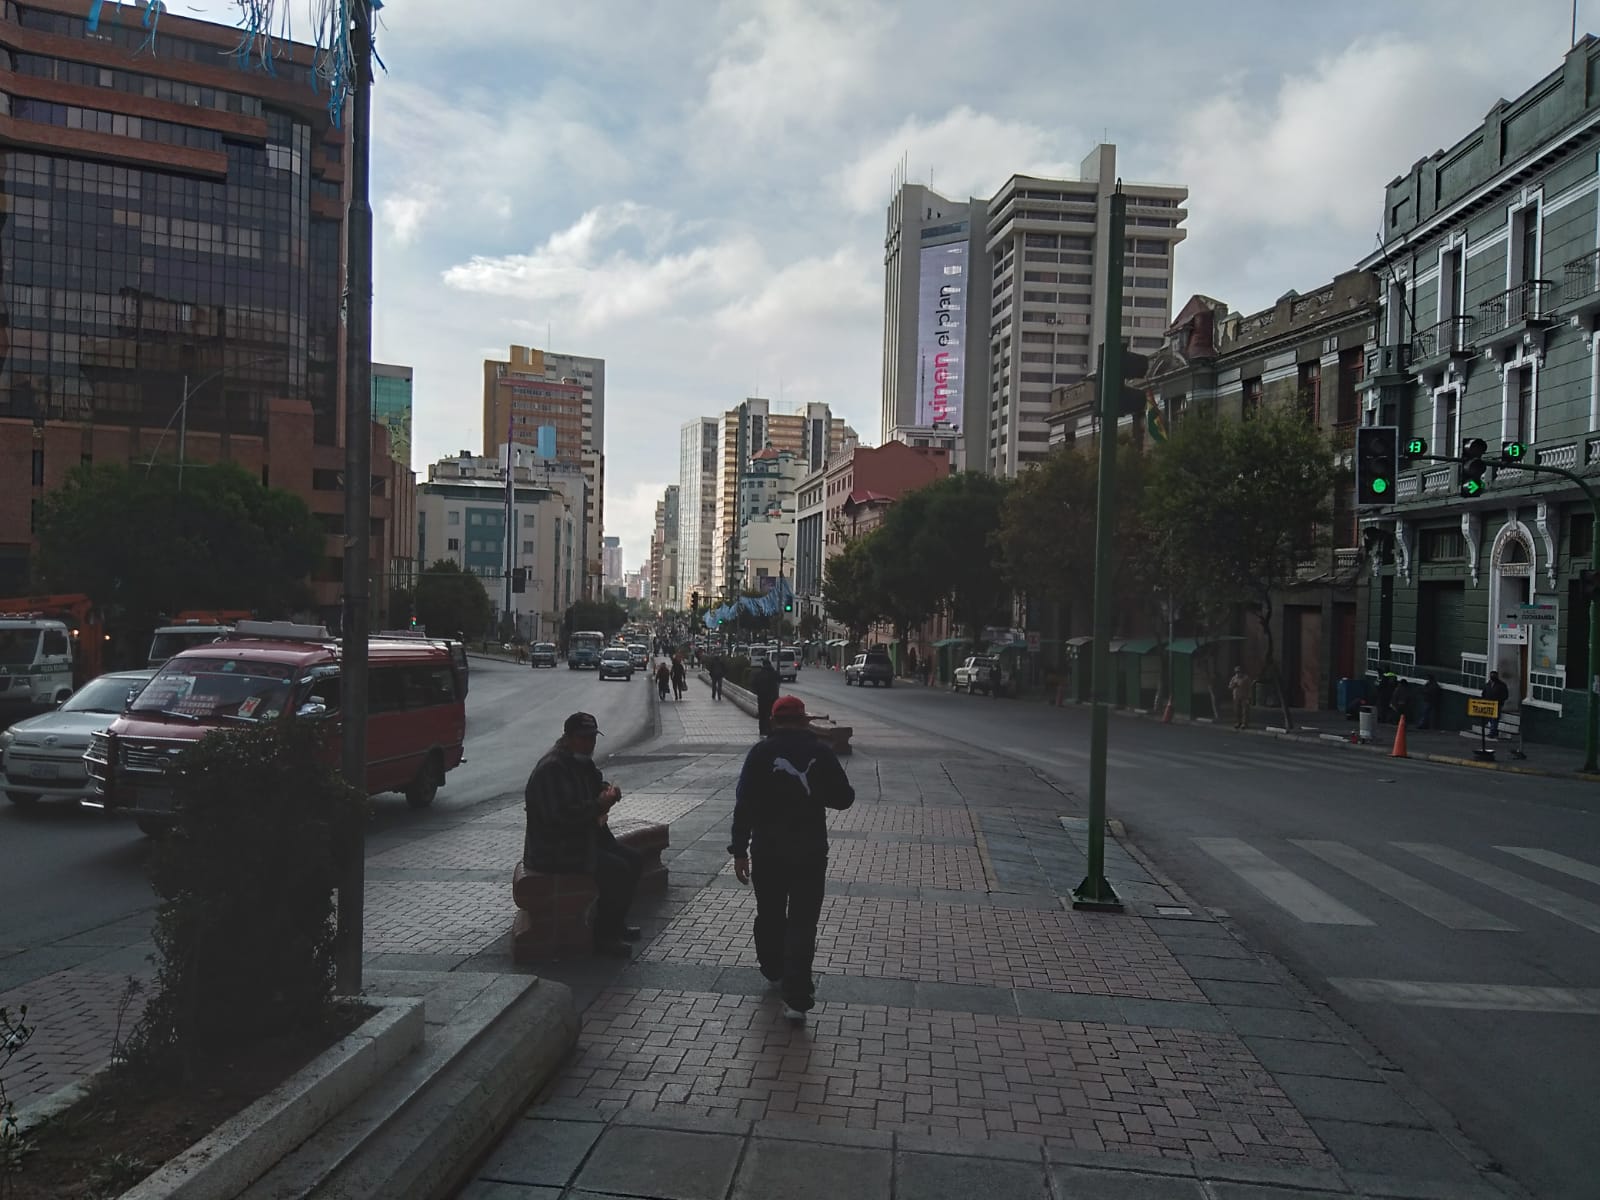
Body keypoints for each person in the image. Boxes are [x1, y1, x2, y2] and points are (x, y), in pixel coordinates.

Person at [728, 695, 855, 1022]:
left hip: (767, 851)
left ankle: (773, 968)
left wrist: (739, 850)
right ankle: (796, 999)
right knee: (802, 921)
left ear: (773, 720)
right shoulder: (820, 753)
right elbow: (845, 798)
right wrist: (815, 793)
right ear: (803, 720)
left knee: (770, 913)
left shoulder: (760, 754)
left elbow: (745, 803)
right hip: (810, 851)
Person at [523, 712, 641, 957]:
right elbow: (559, 818)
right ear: (567, 738)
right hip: (554, 849)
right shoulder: (552, 768)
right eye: (583, 738)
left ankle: (615, 923)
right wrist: (598, 805)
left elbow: (594, 783)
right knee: (616, 870)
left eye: (592, 738)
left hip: (579, 839)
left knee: (633, 859)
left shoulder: (580, 761)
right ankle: (604, 936)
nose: (589, 744)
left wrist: (607, 791)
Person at [752, 656, 780, 736]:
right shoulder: (774, 673)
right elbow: (779, 680)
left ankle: (762, 730)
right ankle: (770, 729)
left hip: (762, 698)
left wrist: (758, 692)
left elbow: (753, 684)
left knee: (762, 714)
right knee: (771, 714)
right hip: (772, 697)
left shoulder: (759, 673)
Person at [1482, 670, 1510, 740]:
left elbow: (1505, 695)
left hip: (1497, 704)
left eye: (1494, 675)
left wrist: (1500, 701)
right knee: (1490, 718)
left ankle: (1492, 733)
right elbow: (1484, 693)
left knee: (1495, 718)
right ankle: (1495, 731)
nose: (1492, 677)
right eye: (1491, 675)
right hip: (1488, 704)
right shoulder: (1487, 684)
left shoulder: (1502, 685)